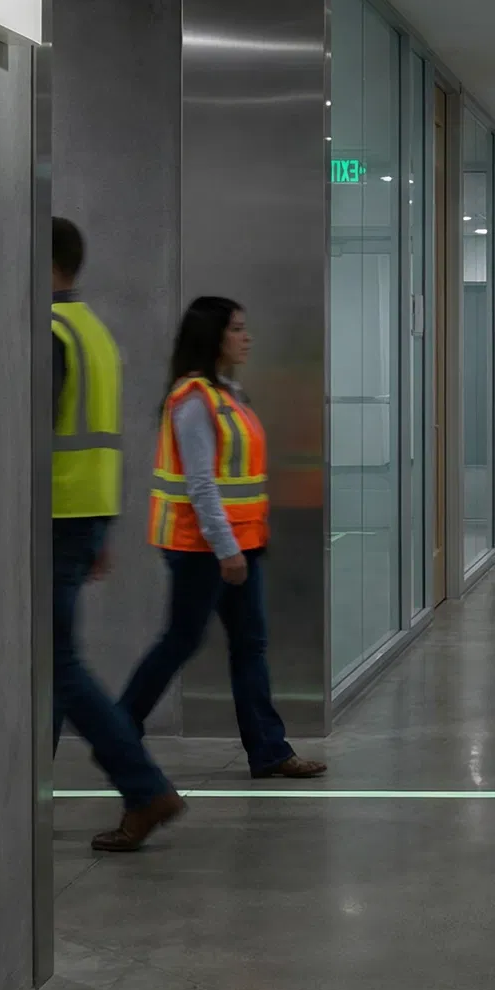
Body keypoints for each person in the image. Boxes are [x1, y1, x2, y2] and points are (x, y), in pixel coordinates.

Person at [118, 296, 326, 780]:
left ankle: (269, 750)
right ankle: (120, 724)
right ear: (213, 336)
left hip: (239, 545)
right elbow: (201, 483)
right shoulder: (194, 400)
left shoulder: (229, 394)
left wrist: (242, 545)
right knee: (181, 640)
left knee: (249, 644)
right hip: (202, 547)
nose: (245, 336)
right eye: (236, 328)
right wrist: (226, 547)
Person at [49, 218, 184, 852]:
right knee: (47, 664)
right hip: (84, 512)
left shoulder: (50, 332)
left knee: (57, 665)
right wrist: (101, 525)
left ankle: (142, 786)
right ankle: (25, 791)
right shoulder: (94, 332)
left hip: (51, 514)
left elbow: (31, 434)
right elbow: (104, 436)